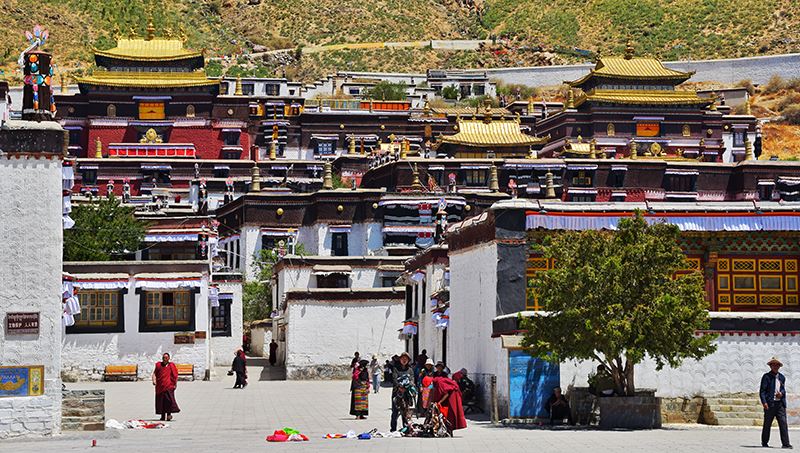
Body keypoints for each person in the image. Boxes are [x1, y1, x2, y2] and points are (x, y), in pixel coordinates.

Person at [760, 357, 792, 448]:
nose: (775, 366)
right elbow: (762, 391)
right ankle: (764, 442)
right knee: (767, 424)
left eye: (777, 365)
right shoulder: (766, 377)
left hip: (780, 405)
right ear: (770, 366)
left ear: (779, 366)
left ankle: (785, 444)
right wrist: (764, 402)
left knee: (783, 424)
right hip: (770, 404)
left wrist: (781, 394)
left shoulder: (782, 377)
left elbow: (783, 389)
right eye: (773, 364)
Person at [390, 352, 416, 432]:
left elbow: (412, 379)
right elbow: (394, 379)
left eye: (406, 359)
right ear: (400, 359)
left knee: (405, 411)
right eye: (402, 358)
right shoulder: (395, 369)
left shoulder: (410, 369)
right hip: (397, 392)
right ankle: (393, 429)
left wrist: (408, 387)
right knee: (395, 411)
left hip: (406, 393)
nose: (404, 360)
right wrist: (399, 387)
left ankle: (405, 428)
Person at [152, 353, 180, 421]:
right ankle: (162, 416)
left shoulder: (171, 365)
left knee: (169, 401)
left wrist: (175, 384)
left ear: (169, 358)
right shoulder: (159, 365)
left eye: (166, 358)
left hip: (169, 386)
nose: (165, 359)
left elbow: (175, 375)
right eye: (164, 357)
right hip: (160, 386)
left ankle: (169, 415)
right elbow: (154, 373)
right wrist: (154, 380)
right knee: (161, 401)